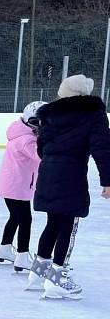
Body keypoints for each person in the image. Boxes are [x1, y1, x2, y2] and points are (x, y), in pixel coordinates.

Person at [26, 74, 110, 299]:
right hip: (71, 174)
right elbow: (101, 147)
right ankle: (57, 279)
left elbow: (41, 148)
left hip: (48, 173)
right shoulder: (93, 114)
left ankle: (38, 273)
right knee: (68, 226)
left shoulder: (50, 114)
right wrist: (108, 180)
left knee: (53, 222)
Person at [0, 102, 44, 272]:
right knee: (25, 220)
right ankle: (22, 256)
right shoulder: (27, 139)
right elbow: (40, 156)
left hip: (12, 184)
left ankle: (5, 249)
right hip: (18, 186)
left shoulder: (20, 132)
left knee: (15, 217)